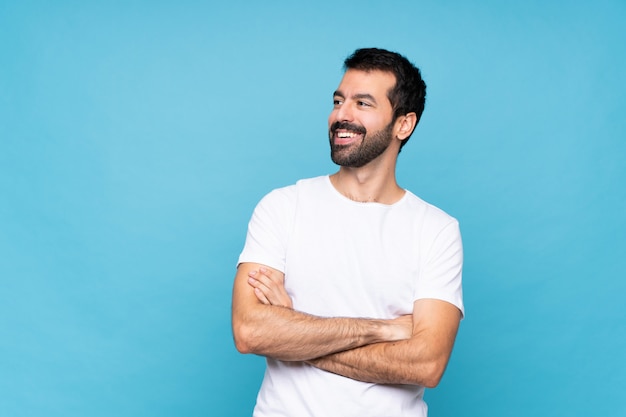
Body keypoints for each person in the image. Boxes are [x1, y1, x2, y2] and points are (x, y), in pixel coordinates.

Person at [231, 47, 464, 417]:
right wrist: (382, 330)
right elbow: (250, 331)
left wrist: (294, 334)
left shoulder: (436, 230)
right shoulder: (282, 207)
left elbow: (426, 364)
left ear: (404, 124)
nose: (342, 115)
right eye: (338, 100)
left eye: (363, 103)